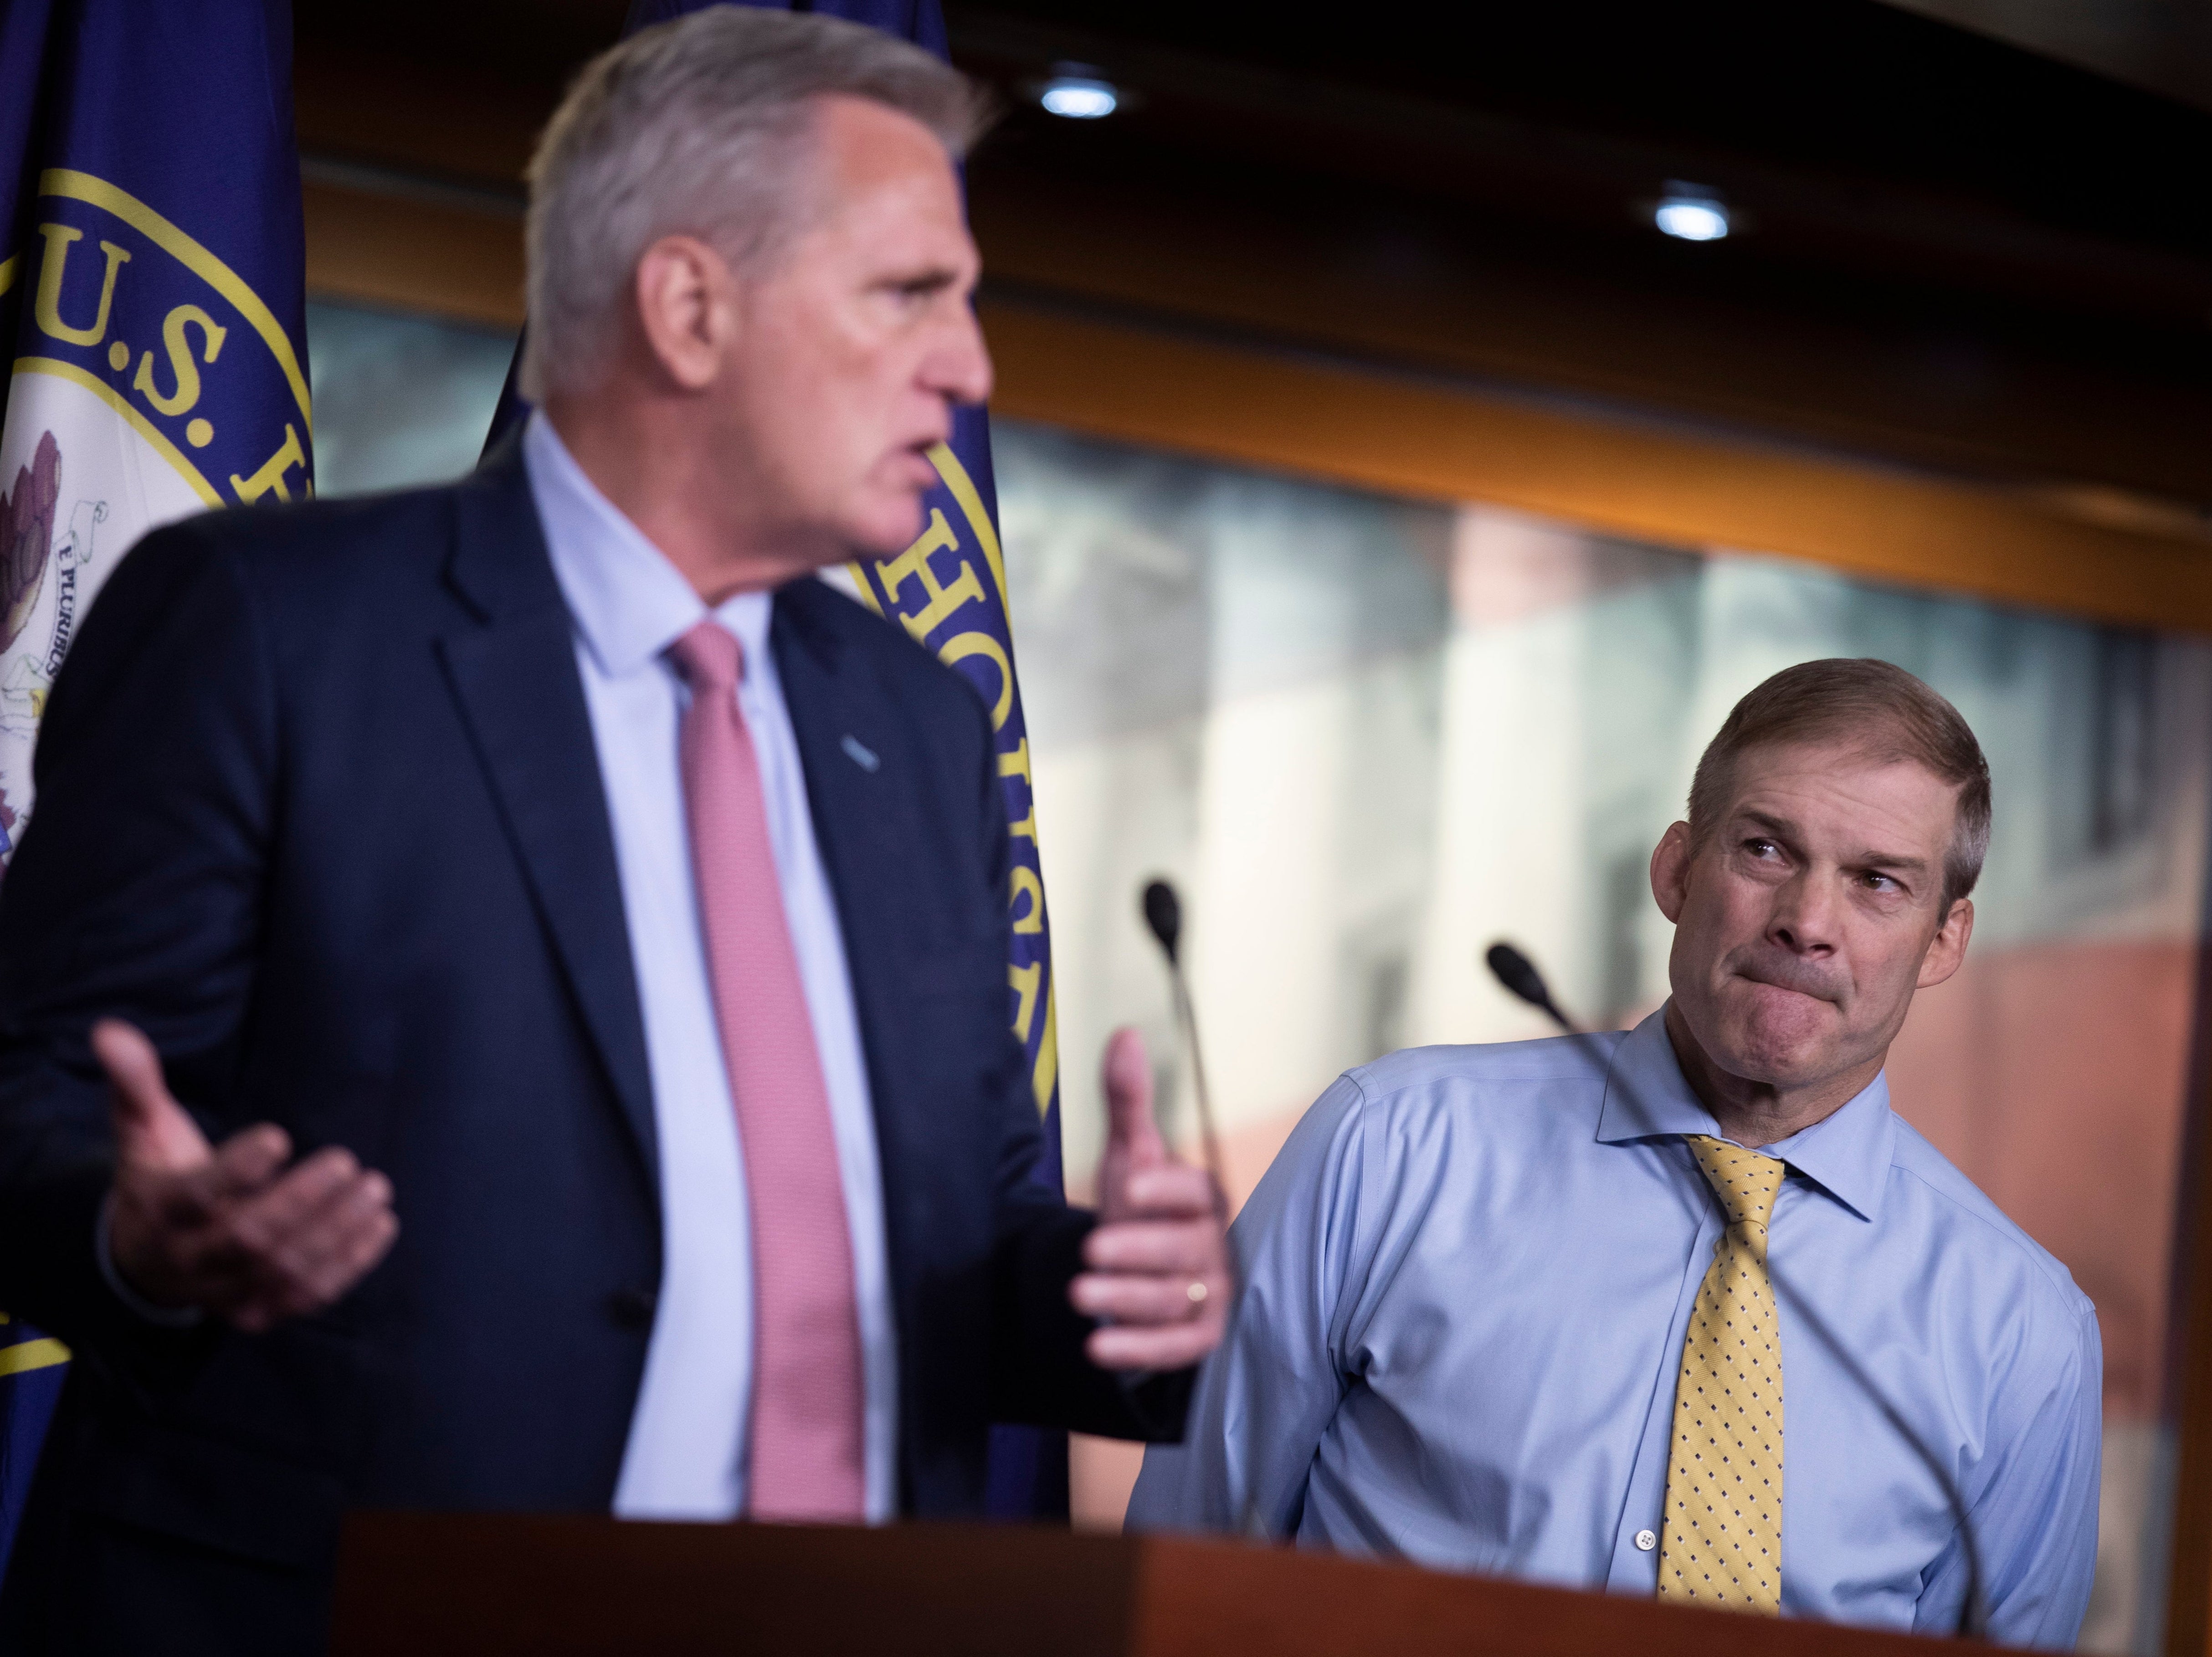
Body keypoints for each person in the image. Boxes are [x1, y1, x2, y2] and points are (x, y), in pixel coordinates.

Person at [0, 12, 1230, 1652]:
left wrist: (1114, 1297)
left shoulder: (918, 728)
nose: (968, 365)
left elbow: (960, 1230)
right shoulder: (269, 629)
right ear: (689, 304)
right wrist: (133, 1234)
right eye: (906, 293)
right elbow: (34, 1097)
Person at [1127, 658, 2100, 1648]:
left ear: (1942, 940)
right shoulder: (1392, 1146)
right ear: (1677, 868)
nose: (1808, 923)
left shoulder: (2022, 1329)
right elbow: (1184, 1563)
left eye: (1877, 882)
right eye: (1766, 849)